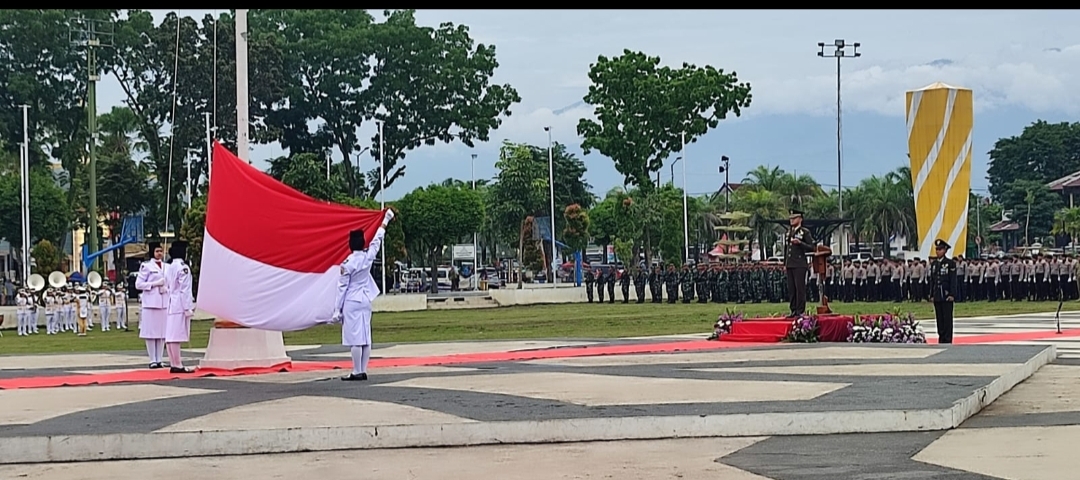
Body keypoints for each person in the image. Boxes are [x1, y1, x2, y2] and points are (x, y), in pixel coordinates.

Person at [333, 209, 394, 381]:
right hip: (365, 299)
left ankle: (356, 370)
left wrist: (337, 310)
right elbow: (377, 240)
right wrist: (385, 220)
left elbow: (342, 287)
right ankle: (363, 369)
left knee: (354, 338)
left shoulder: (348, 263)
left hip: (352, 300)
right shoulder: (368, 257)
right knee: (366, 336)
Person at [162, 241, 196, 373]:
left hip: (171, 302)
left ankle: (174, 362)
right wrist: (188, 307)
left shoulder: (169, 267)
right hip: (179, 304)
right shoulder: (183, 267)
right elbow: (185, 289)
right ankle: (178, 364)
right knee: (175, 335)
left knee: (170, 336)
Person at [136, 242, 169, 369]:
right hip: (150, 302)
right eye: (157, 251)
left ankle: (160, 359)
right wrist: (155, 284)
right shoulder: (146, 266)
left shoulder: (167, 266)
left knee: (161, 333)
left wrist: (166, 288)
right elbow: (139, 284)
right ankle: (152, 359)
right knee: (150, 332)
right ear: (152, 252)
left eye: (161, 251)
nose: (159, 253)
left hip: (163, 302)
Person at [784, 209, 815, 317]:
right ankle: (793, 310)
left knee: (799, 288)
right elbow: (787, 249)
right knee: (791, 289)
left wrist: (800, 243)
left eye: (794, 218)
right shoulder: (789, 232)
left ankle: (800, 311)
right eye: (791, 218)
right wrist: (785, 263)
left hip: (800, 264)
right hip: (790, 263)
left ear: (800, 219)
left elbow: (811, 247)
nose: (791, 220)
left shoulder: (804, 232)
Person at [929, 239, 958, 344]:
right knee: (939, 318)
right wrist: (931, 294)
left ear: (945, 250)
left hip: (946, 295)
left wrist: (952, 294)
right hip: (937, 295)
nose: (938, 251)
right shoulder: (934, 264)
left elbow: (953, 280)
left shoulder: (950, 264)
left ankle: (947, 338)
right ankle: (941, 337)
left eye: (940, 249)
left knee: (947, 319)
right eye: (937, 249)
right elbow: (932, 280)